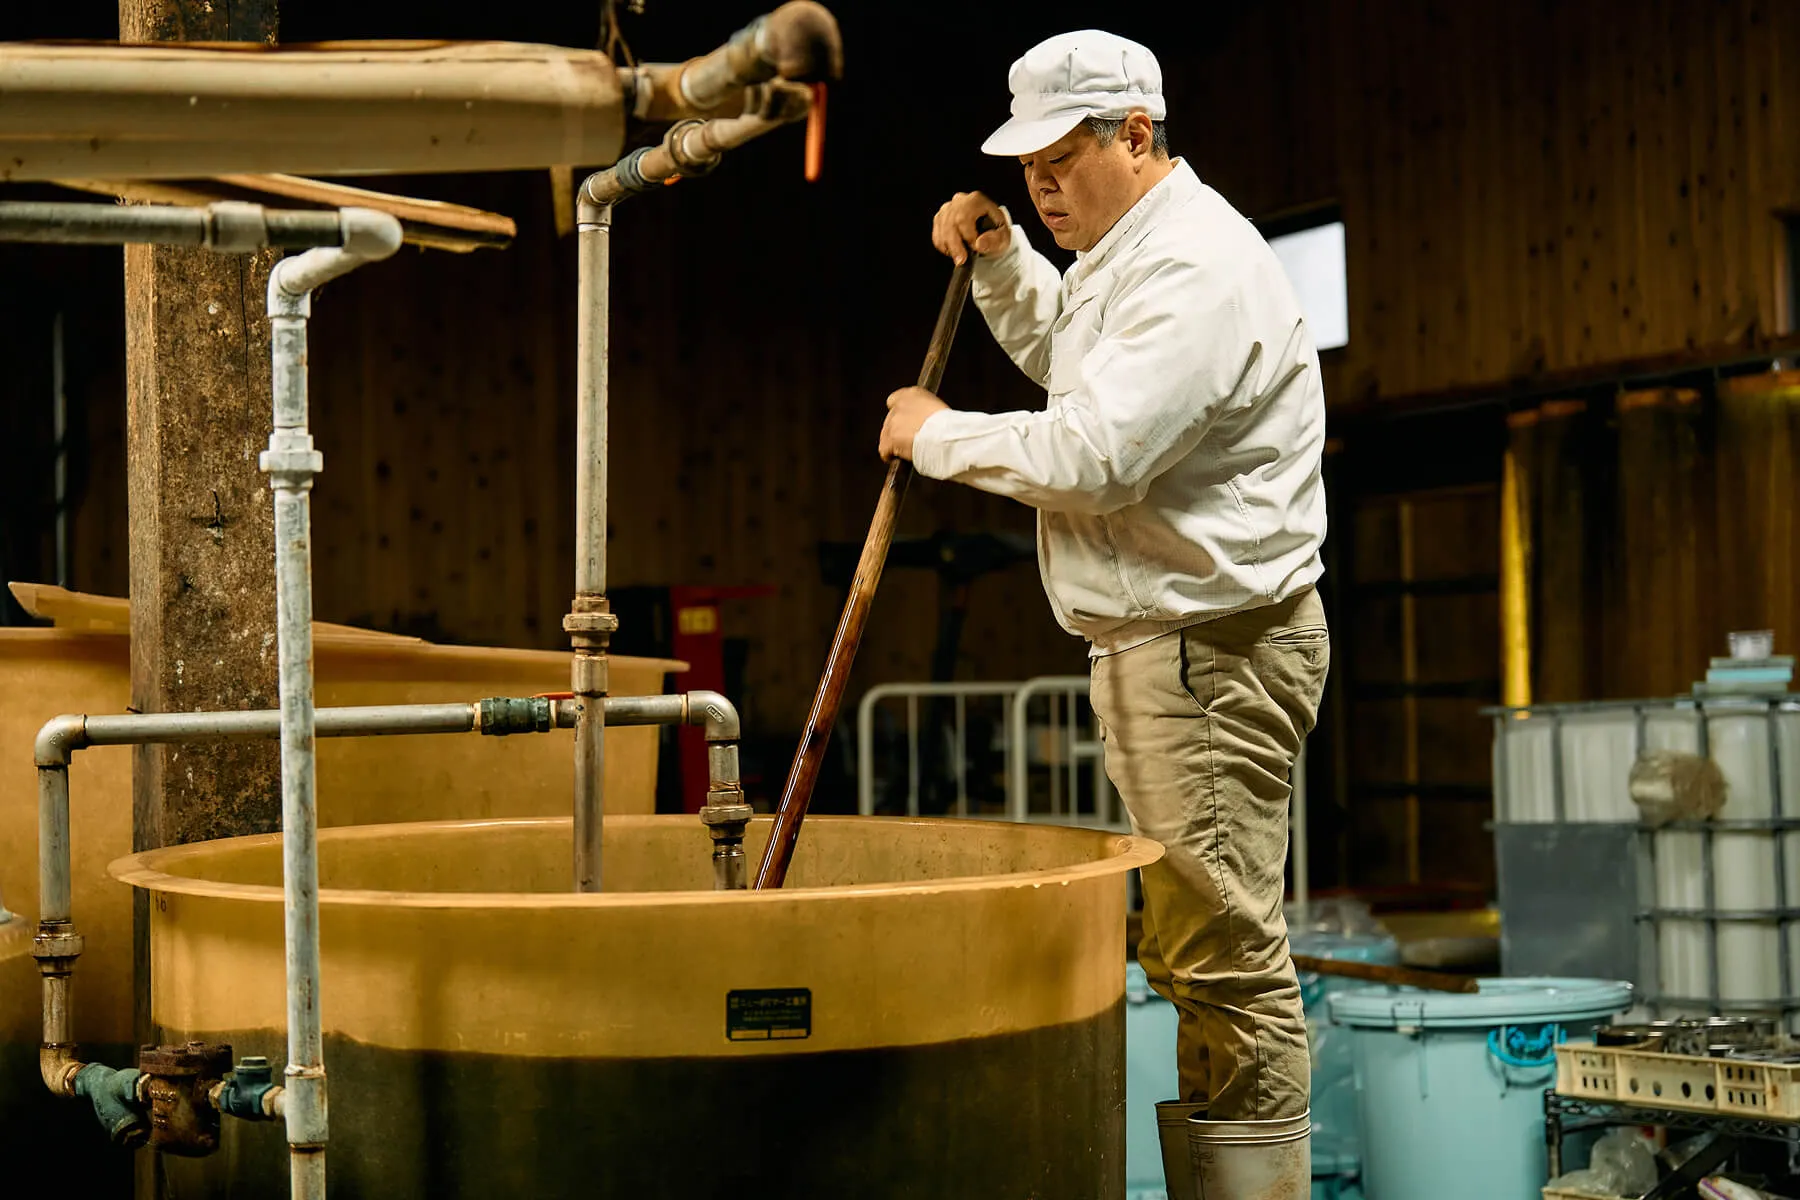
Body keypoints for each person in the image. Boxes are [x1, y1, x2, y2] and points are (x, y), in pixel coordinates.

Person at [877, 28, 1330, 1197]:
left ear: (1138, 133)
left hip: (1211, 654)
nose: (1040, 184)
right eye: (1026, 167)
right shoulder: (1129, 253)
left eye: (1061, 161)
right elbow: (1075, 363)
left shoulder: (1195, 266)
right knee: (1195, 953)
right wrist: (1003, 264)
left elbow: (1097, 452)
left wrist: (938, 434)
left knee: (1224, 957)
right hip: (1169, 651)